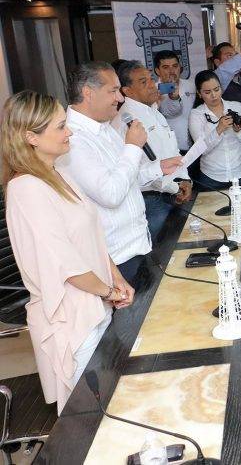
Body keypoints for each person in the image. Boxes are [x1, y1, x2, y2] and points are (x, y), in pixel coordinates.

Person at [2, 91, 135, 414]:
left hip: (95, 301)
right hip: (71, 317)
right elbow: (65, 262)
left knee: (113, 400)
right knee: (90, 415)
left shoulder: (58, 172)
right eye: (60, 126)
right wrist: (108, 292)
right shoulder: (26, 188)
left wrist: (116, 278)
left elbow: (90, 238)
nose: (69, 131)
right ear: (31, 137)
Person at [59, 62, 175, 284]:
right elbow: (110, 194)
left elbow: (126, 178)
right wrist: (133, 147)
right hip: (115, 258)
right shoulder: (73, 139)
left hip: (138, 245)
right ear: (88, 93)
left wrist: (157, 168)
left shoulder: (104, 127)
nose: (120, 98)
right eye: (113, 91)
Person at [112, 60, 192, 239]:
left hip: (172, 191)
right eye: (143, 82)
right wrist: (175, 187)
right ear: (127, 91)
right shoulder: (125, 121)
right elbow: (136, 169)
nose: (152, 85)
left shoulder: (153, 110)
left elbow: (172, 152)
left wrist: (185, 179)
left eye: (151, 79)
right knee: (160, 250)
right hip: (152, 200)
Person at [188, 70, 241, 189]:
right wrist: (219, 129)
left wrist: (238, 131)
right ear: (199, 93)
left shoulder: (237, 106)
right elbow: (201, 150)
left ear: (221, 88)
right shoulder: (196, 114)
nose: (214, 95)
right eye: (207, 92)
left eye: (216, 89)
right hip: (211, 177)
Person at [154, 50, 195, 153]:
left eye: (175, 66)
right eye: (166, 67)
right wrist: (173, 97)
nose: (172, 71)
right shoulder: (153, 91)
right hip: (172, 148)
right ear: (157, 71)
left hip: (195, 145)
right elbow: (170, 113)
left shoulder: (191, 85)